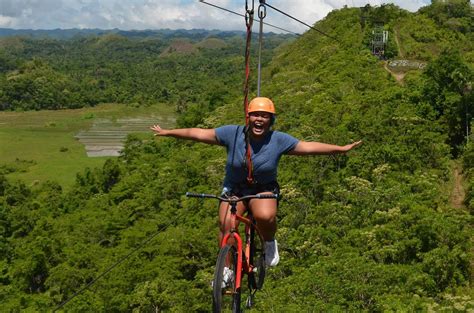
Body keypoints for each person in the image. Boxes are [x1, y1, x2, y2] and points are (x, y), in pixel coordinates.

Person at [151, 97, 361, 267]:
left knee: (265, 216)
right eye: (255, 115)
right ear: (248, 117)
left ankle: (269, 242)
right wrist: (168, 132)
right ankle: (226, 269)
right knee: (226, 225)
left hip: (263, 189)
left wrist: (339, 149)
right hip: (235, 189)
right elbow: (198, 134)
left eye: (265, 116)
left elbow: (308, 147)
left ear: (271, 120)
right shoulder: (232, 134)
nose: (259, 119)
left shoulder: (278, 140)